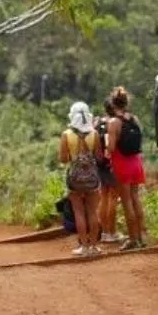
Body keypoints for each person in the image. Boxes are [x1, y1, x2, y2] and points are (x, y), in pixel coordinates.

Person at [106, 86, 148, 252]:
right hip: (135, 162)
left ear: (112, 103)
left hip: (121, 163)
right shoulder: (134, 119)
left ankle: (132, 239)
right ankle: (142, 236)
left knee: (126, 202)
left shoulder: (113, 122)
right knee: (135, 198)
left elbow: (111, 147)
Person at [58, 102, 102, 257]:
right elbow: (99, 157)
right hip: (92, 178)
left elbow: (63, 159)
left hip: (74, 179)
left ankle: (83, 247)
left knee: (79, 212)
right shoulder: (94, 134)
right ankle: (94, 247)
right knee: (92, 211)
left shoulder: (66, 135)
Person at [95, 98, 123, 244]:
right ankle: (112, 232)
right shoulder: (114, 123)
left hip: (99, 164)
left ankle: (104, 232)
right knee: (113, 197)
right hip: (111, 162)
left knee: (103, 197)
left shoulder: (98, 123)